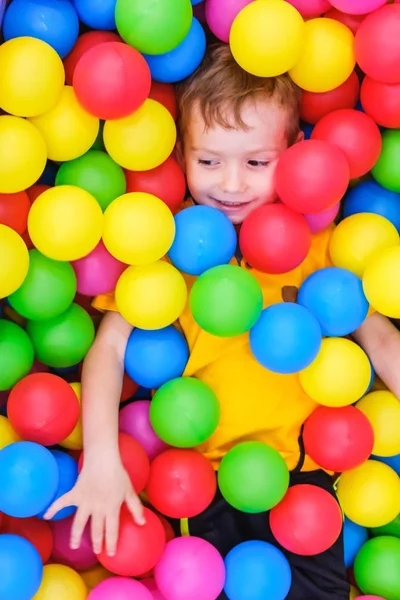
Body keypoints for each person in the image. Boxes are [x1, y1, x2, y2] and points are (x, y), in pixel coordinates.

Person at [45, 44, 400, 599]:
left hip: (305, 484)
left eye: (256, 163)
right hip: (204, 485)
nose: (231, 184)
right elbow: (109, 350)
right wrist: (104, 462)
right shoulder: (166, 257)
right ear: (180, 154)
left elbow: (380, 340)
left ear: (296, 154)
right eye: (208, 161)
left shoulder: (321, 251)